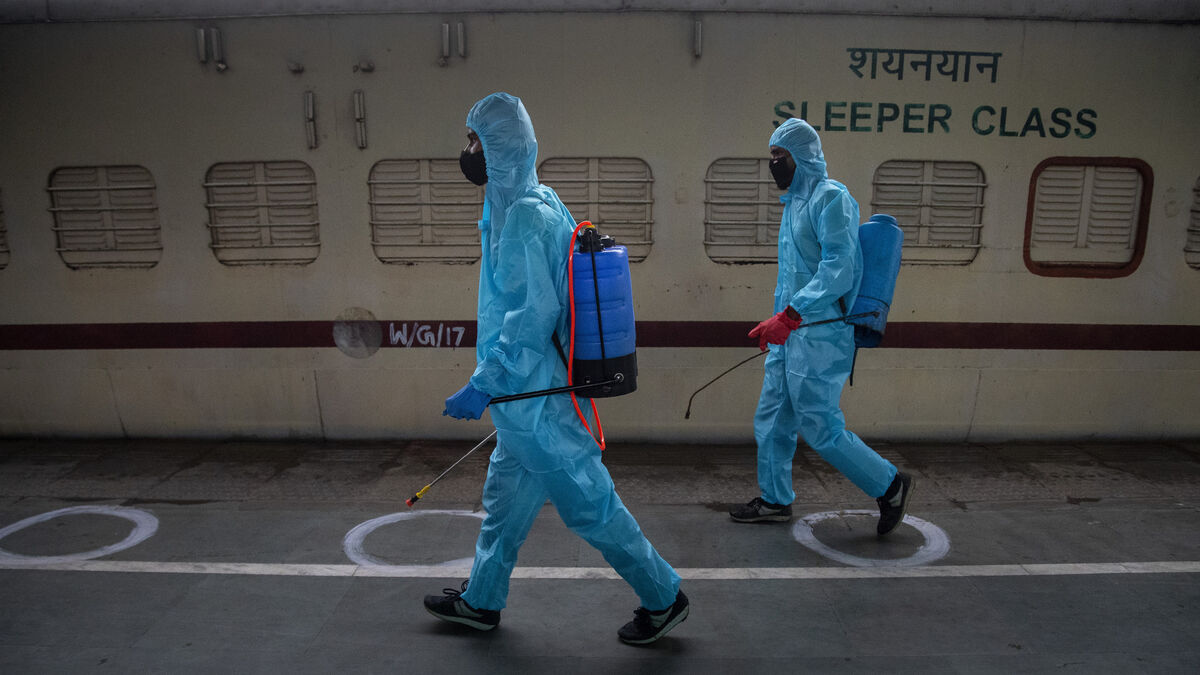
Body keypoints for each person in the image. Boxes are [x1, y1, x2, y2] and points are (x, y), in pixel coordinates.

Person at [424, 92, 689, 645]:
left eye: (475, 140)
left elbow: (530, 315)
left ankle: (664, 596)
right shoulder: (528, 202)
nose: (468, 151)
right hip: (526, 403)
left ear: (500, 146)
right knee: (503, 505)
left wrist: (485, 382)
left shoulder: (525, 214)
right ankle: (481, 600)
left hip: (538, 399)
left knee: (590, 504)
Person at [730, 118, 915, 536]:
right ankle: (775, 499)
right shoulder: (793, 205)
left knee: (820, 426)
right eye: (772, 155)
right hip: (789, 333)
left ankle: (890, 485)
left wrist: (791, 315)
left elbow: (839, 269)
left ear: (803, 156)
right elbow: (792, 276)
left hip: (820, 334)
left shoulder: (832, 199)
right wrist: (778, 321)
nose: (774, 163)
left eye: (781, 155)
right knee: (772, 419)